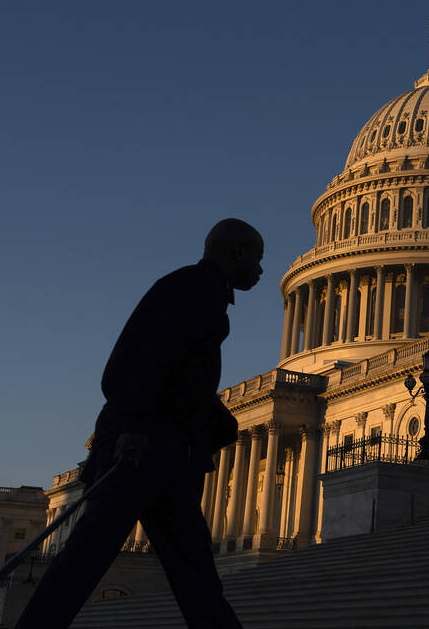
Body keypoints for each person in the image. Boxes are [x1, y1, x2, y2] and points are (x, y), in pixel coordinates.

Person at [15, 219, 264, 629]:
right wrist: (133, 427)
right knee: (92, 558)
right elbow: (143, 362)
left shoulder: (196, 290)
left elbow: (178, 378)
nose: (259, 269)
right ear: (236, 252)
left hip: (163, 452)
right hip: (146, 447)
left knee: (191, 569)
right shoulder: (196, 291)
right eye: (257, 258)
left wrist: (218, 420)